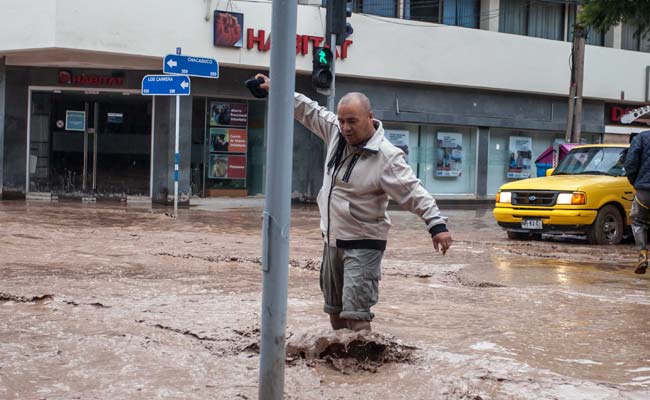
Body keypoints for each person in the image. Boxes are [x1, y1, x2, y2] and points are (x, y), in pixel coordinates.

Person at [256, 74, 453, 331]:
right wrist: (276, 88)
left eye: (352, 121)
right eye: (342, 121)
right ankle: (339, 370)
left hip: (363, 245)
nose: (346, 127)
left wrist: (436, 225)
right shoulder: (336, 132)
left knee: (356, 316)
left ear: (370, 118)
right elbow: (309, 110)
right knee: (335, 312)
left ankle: (366, 366)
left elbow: (413, 192)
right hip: (332, 241)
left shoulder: (387, 157)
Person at [624, 130, 649, 274]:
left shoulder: (641, 138)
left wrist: (635, 182)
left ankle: (642, 255)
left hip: (644, 191)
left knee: (638, 222)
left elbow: (630, 163)